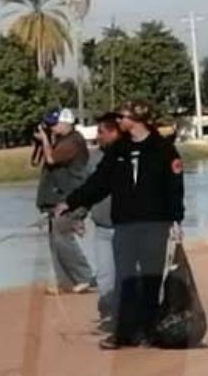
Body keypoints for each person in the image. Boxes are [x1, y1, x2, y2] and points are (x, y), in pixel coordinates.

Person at [53, 100, 186, 350]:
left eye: (122, 117)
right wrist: (70, 203)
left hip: (155, 224)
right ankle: (123, 333)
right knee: (124, 278)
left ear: (136, 119)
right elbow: (98, 183)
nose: (119, 121)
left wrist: (176, 219)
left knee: (150, 279)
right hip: (124, 225)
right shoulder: (118, 151)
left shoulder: (164, 150)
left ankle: (149, 330)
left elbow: (175, 188)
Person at [33, 108, 95, 295]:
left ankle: (84, 277)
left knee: (62, 236)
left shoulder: (73, 142)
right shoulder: (63, 141)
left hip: (72, 197)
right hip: (61, 197)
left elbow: (51, 159)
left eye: (53, 125)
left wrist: (44, 139)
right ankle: (67, 282)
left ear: (66, 123)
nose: (51, 128)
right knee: (56, 239)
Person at [89, 113, 122, 333]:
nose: (97, 137)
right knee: (104, 276)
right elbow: (86, 189)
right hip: (101, 228)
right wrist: (76, 215)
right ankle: (109, 316)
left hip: (127, 228)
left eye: (101, 132)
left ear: (114, 132)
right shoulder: (92, 159)